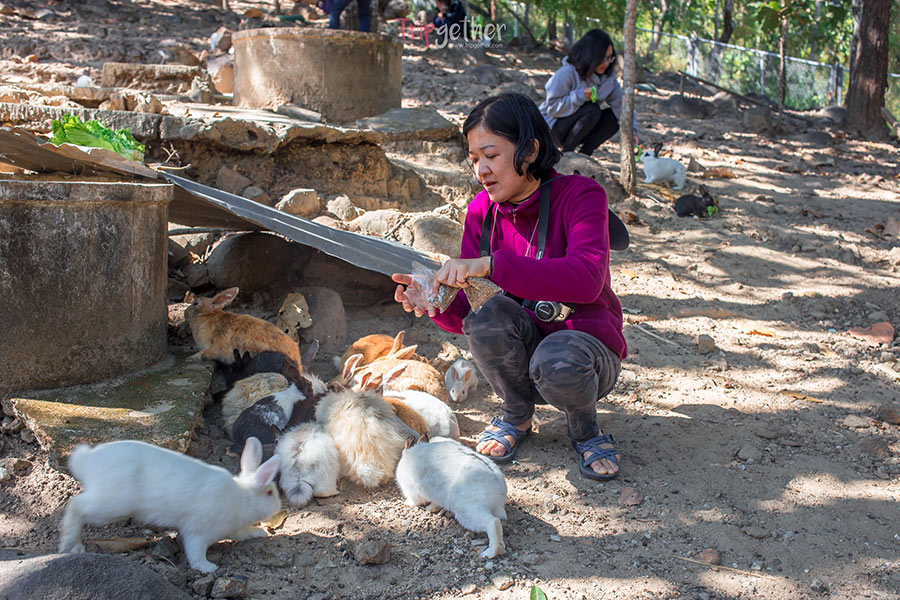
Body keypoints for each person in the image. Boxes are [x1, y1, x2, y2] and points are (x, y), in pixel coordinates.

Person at [391, 93, 628, 481]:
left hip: (583, 356)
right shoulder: (481, 211)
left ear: (530, 150)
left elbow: (586, 280)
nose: (481, 170)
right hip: (524, 356)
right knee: (487, 316)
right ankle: (516, 414)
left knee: (558, 357)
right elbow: (473, 312)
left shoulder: (582, 196)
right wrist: (434, 300)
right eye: (474, 159)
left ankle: (585, 429)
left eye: (491, 155)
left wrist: (492, 265)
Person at [538, 29, 639, 156]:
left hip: (579, 129)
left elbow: (622, 106)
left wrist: (632, 132)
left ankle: (585, 154)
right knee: (592, 109)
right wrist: (579, 96)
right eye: (602, 59)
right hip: (552, 128)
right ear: (590, 56)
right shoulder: (567, 73)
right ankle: (567, 154)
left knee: (614, 117)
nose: (606, 63)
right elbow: (552, 108)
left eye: (609, 58)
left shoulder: (609, 79)